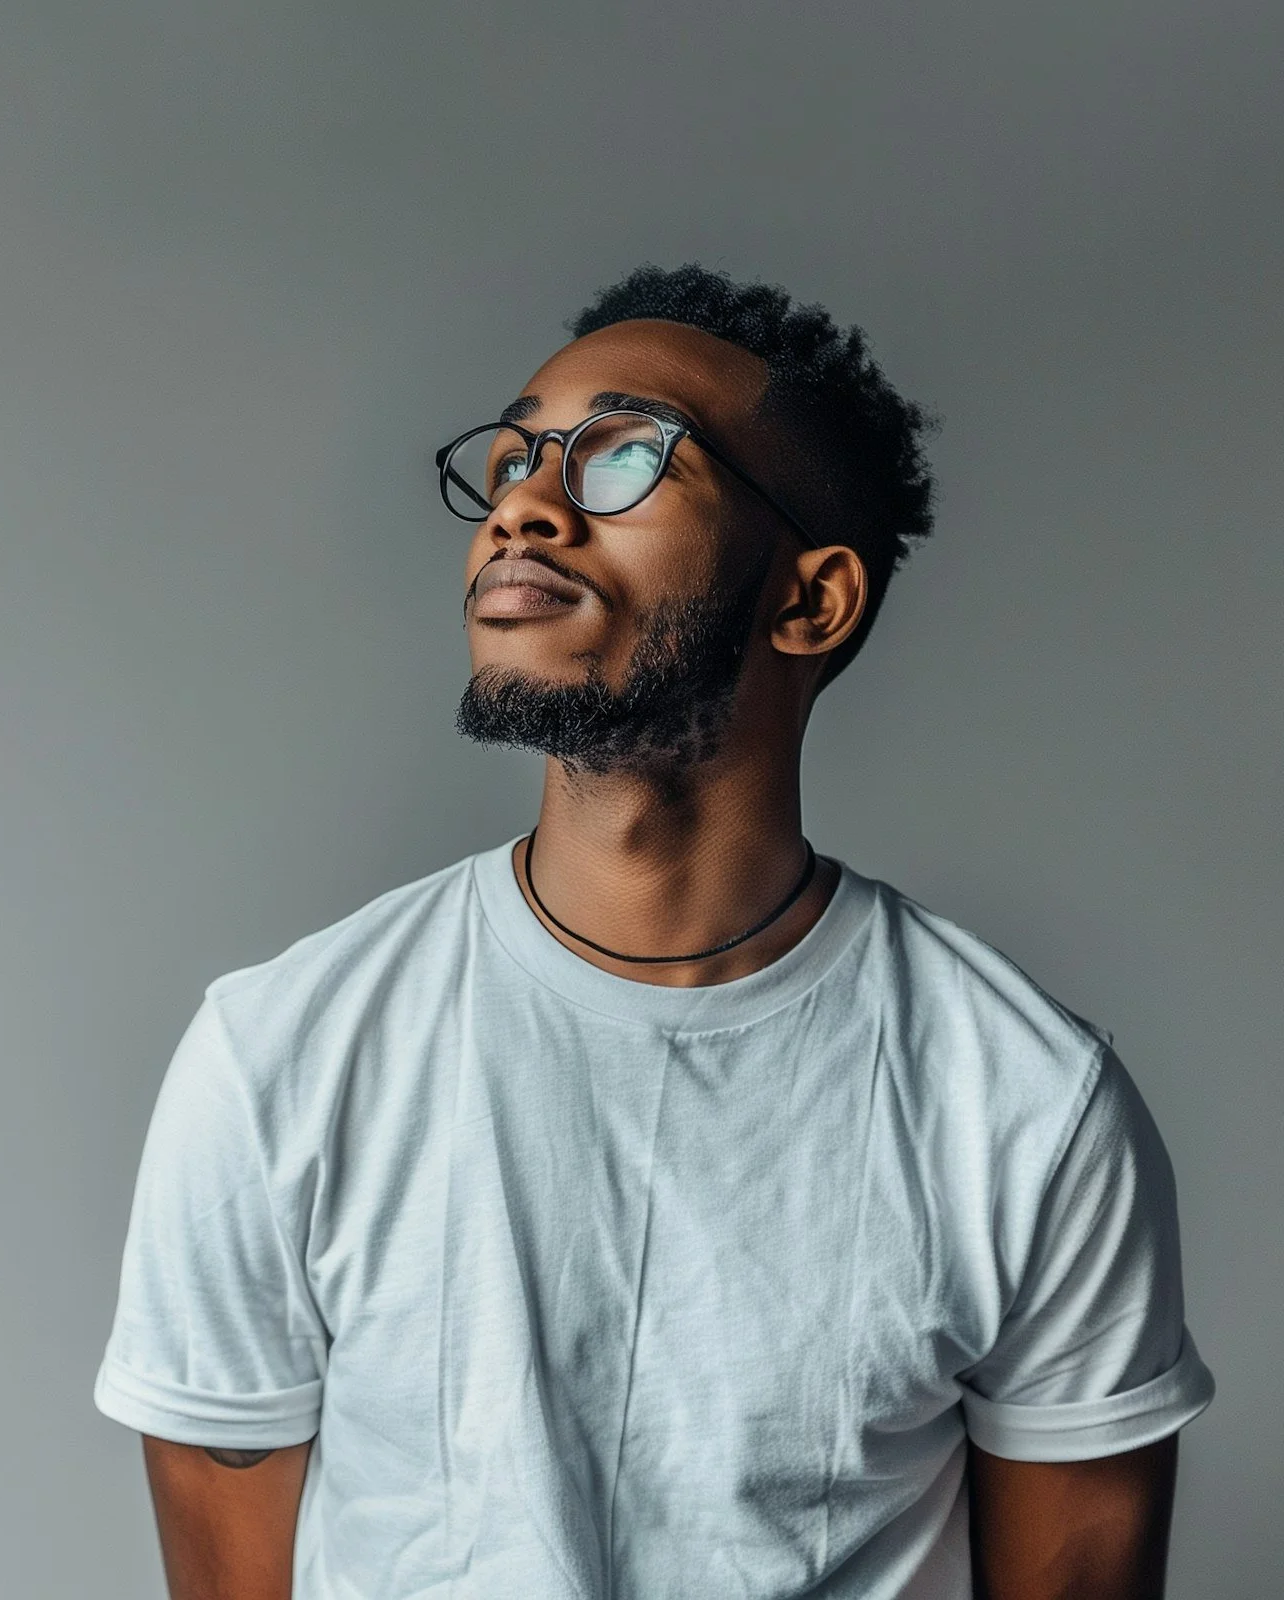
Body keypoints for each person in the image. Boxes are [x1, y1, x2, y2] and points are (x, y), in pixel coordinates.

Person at [93, 263, 1213, 1599]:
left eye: (624, 458)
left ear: (812, 601)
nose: (523, 504)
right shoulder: (279, 1059)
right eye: (513, 458)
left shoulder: (1028, 1106)